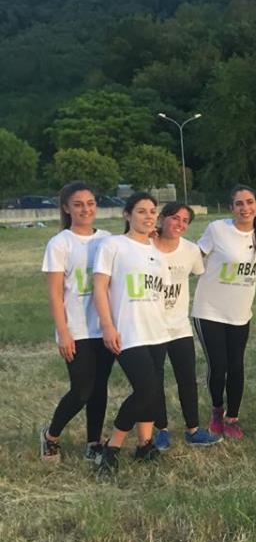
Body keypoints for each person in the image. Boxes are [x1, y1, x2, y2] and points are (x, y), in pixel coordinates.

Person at [92, 192, 171, 475]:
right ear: (127, 215)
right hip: (128, 332)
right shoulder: (114, 245)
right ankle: (111, 448)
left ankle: (144, 444)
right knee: (146, 389)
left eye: (152, 211)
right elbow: (100, 287)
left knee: (153, 392)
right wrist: (107, 325)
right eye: (141, 211)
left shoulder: (157, 252)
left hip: (156, 331)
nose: (148, 216)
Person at [40, 182, 115, 463]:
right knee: (82, 390)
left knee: (100, 388)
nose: (86, 209)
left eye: (91, 203)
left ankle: (93, 442)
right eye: (78, 204)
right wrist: (63, 332)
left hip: (104, 327)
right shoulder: (60, 243)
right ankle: (51, 436)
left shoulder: (107, 239)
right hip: (77, 329)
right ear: (66, 208)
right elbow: (55, 293)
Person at [192, 185, 256, 440]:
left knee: (236, 366)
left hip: (240, 313)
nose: (245, 208)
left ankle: (232, 418)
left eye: (250, 202)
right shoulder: (217, 229)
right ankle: (217, 411)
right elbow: (194, 255)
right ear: (231, 208)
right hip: (209, 310)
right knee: (218, 365)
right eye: (239, 203)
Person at [152, 203, 221, 449]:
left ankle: (193, 429)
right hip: (151, 326)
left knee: (187, 378)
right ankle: (161, 430)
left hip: (179, 326)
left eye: (185, 220)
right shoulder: (145, 247)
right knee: (155, 380)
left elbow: (197, 273)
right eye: (175, 218)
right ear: (161, 219)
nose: (180, 224)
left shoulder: (191, 250)